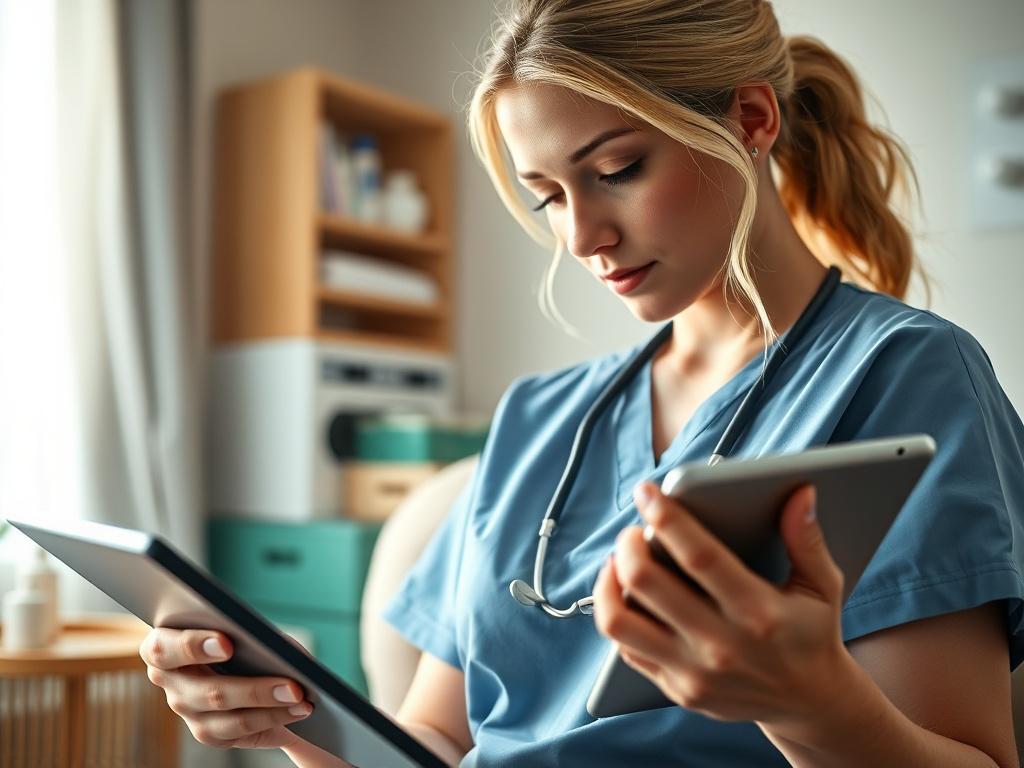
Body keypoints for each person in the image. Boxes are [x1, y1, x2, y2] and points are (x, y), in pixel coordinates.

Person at [140, 1, 1023, 766]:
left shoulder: (899, 377)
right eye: (548, 196)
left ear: (753, 119)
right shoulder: (537, 418)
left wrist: (807, 701)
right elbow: (437, 744)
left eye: (616, 171)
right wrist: (290, 713)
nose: (581, 236)